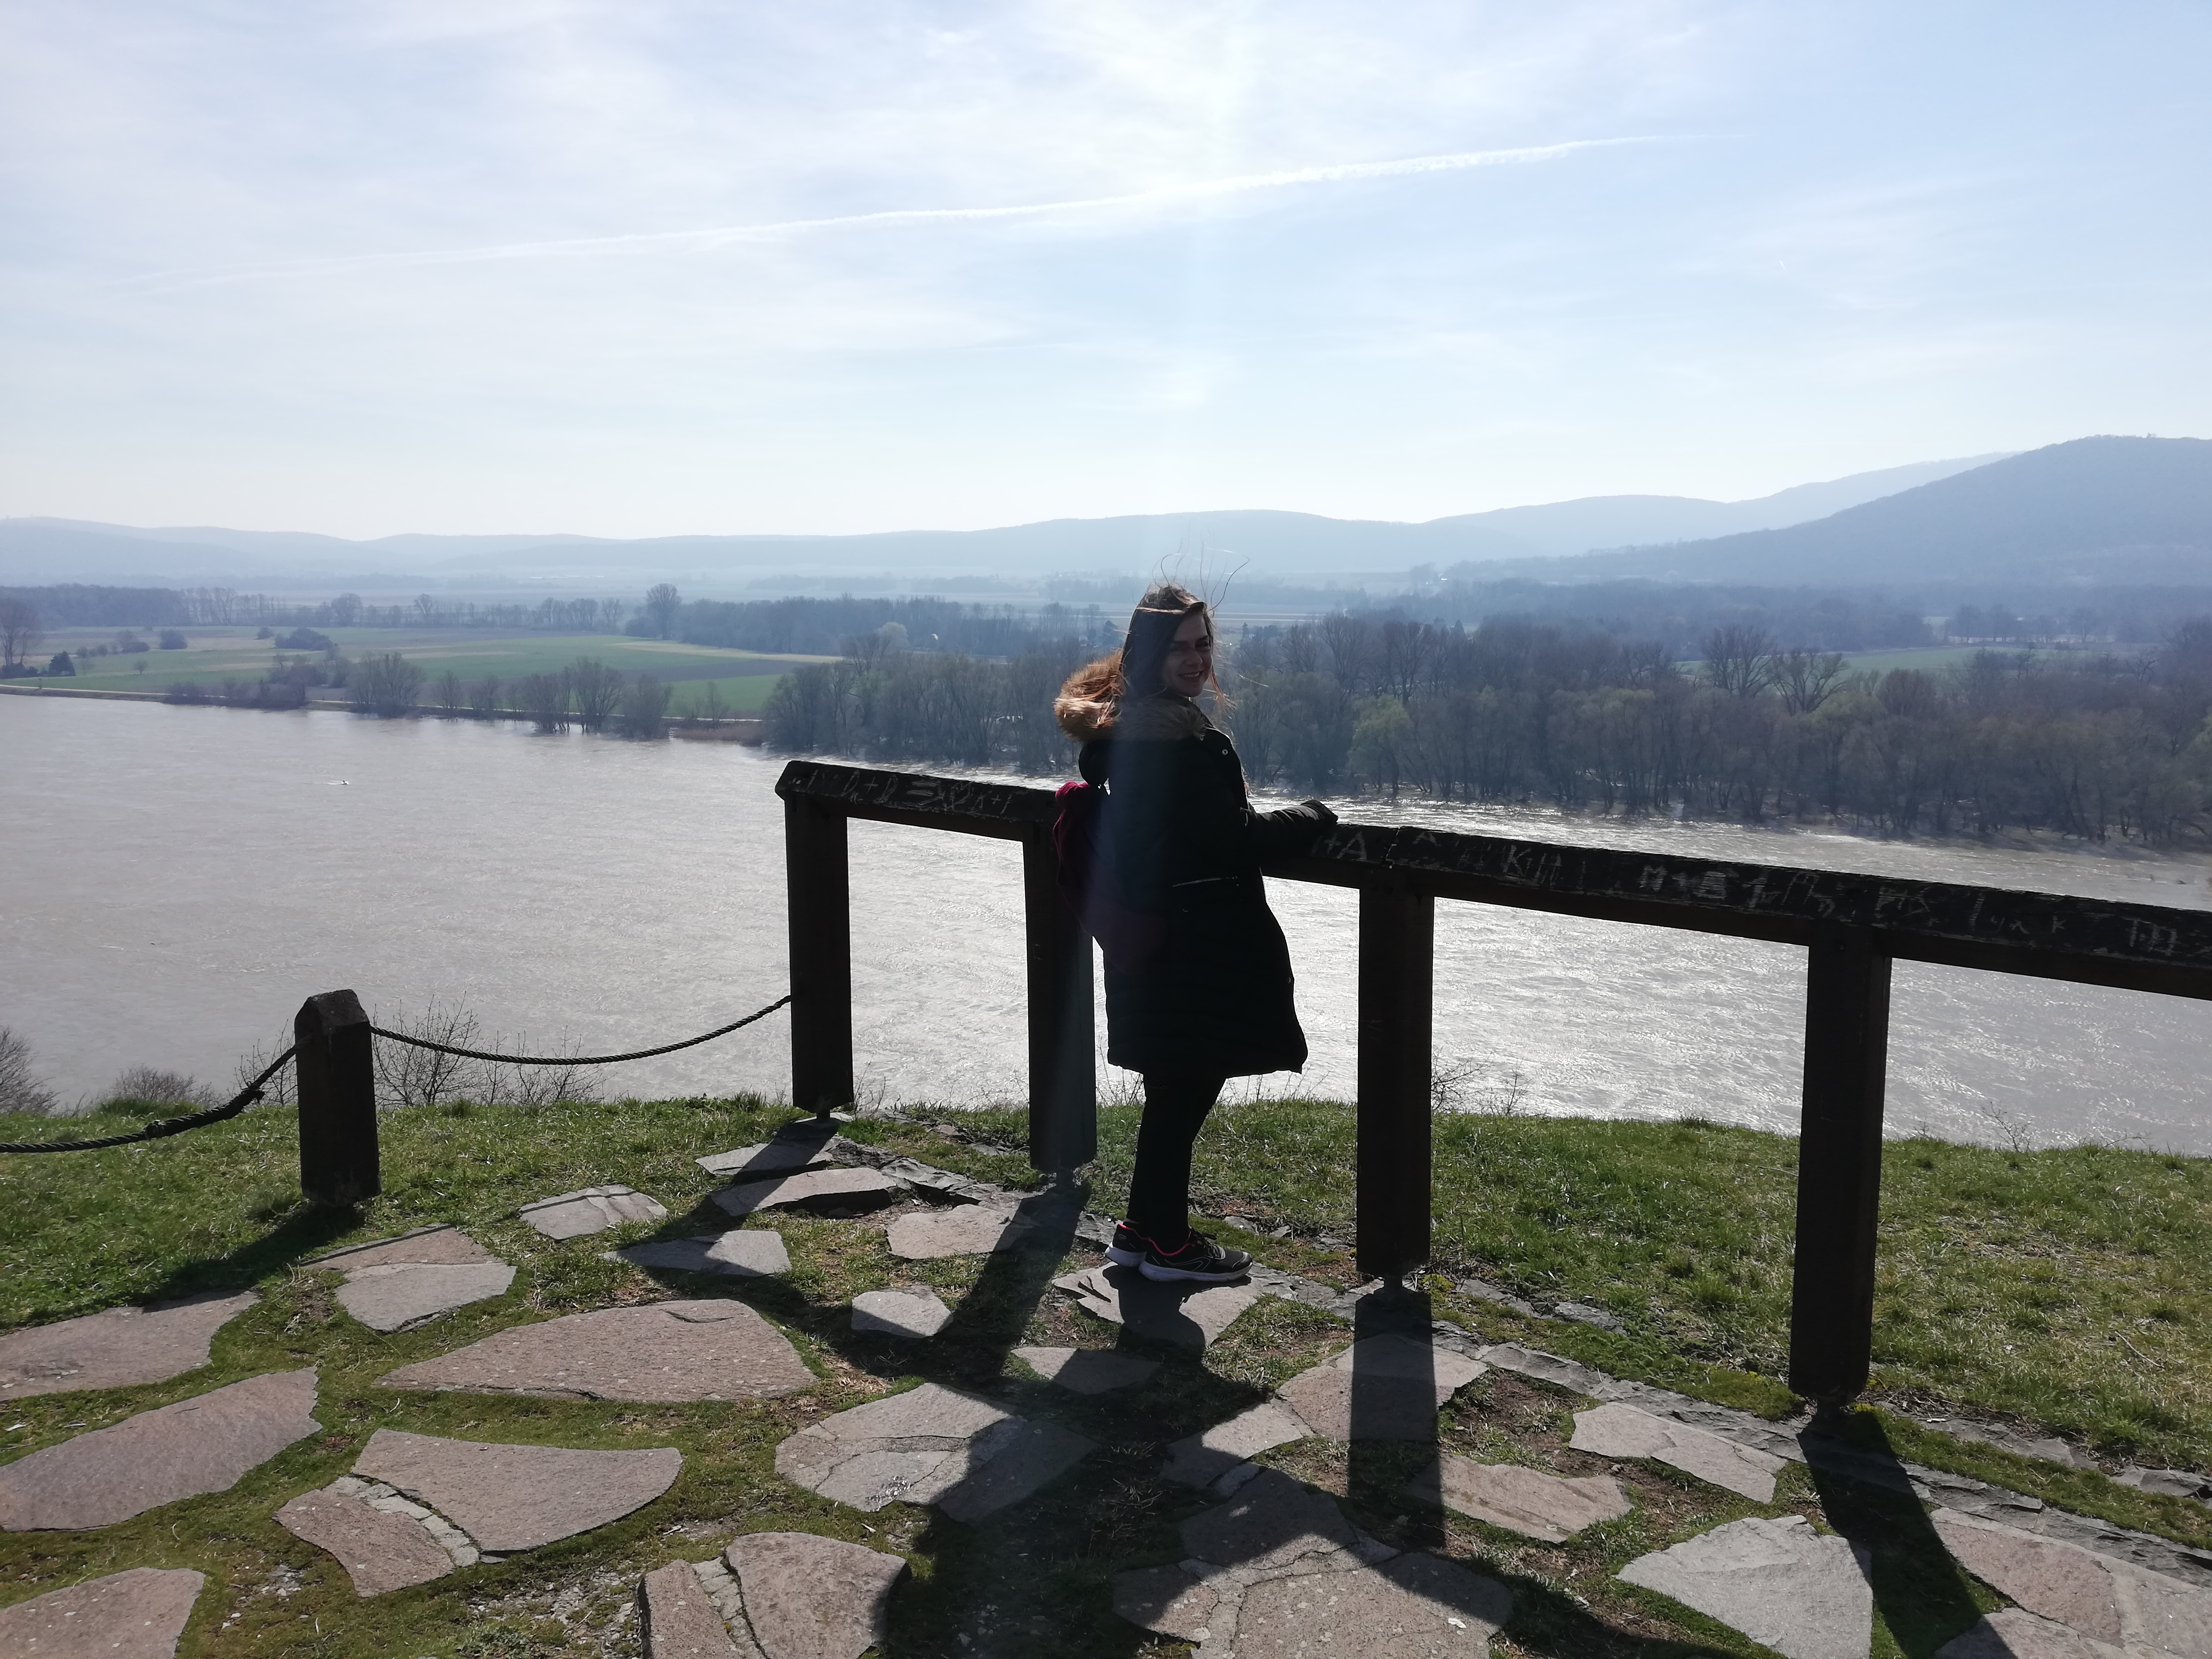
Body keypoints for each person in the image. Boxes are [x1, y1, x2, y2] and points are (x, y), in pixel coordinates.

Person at [1055, 583, 1336, 1282]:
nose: (1194, 658)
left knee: (1173, 1093)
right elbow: (1228, 839)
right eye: (1179, 646)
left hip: (1158, 935)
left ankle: (1142, 1233)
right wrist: (1314, 816)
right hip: (1196, 941)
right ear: (1147, 655)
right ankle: (1170, 1247)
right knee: (1183, 1094)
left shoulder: (1132, 729)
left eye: (1202, 644)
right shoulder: (1174, 740)